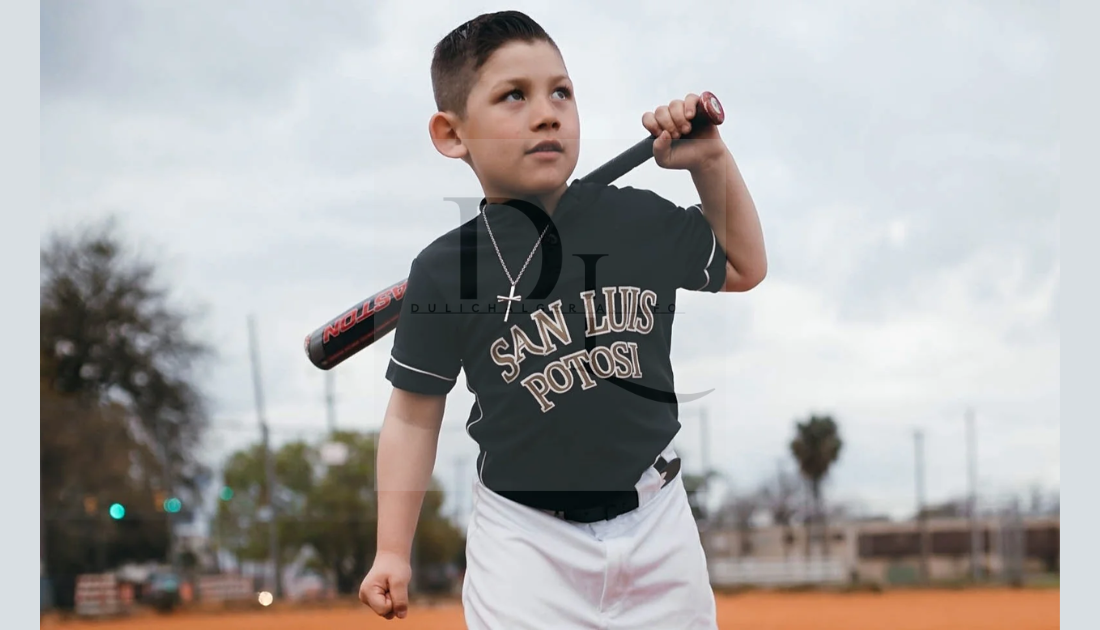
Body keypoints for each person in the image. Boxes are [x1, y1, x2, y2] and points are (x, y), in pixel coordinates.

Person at [358, 10, 766, 629]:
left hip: (657, 524)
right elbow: (414, 418)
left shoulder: (636, 220)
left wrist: (710, 162)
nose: (546, 112)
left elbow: (744, 265)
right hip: (525, 545)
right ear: (452, 134)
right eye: (512, 96)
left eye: (561, 92)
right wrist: (392, 548)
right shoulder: (445, 271)